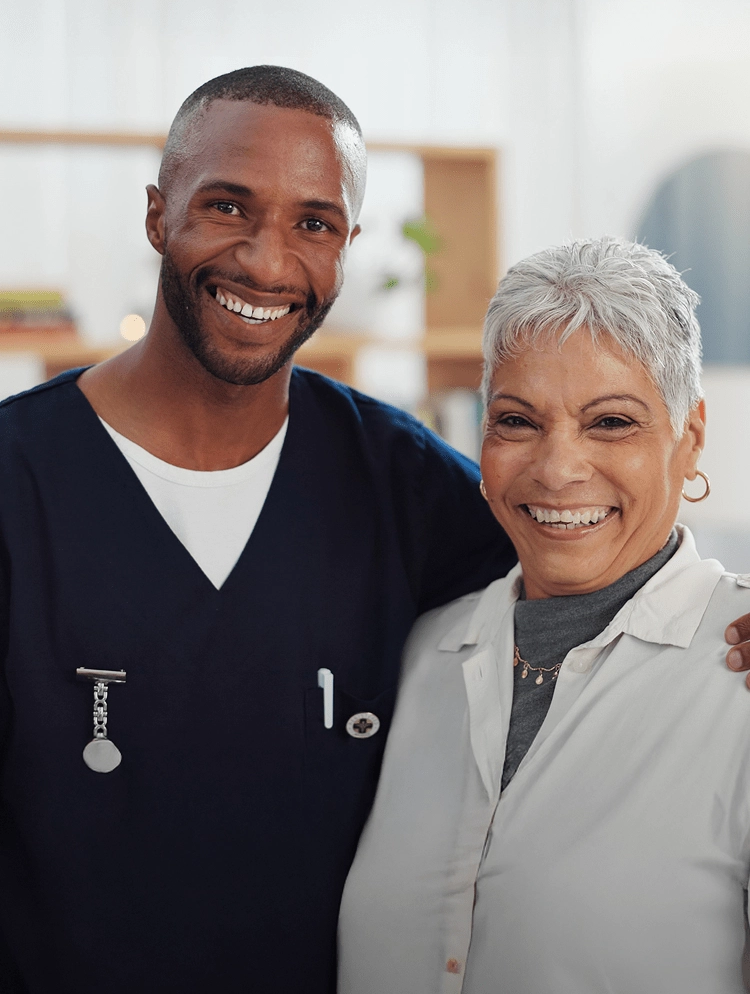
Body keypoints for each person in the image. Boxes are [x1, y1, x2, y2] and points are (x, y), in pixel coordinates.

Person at [0, 66, 515, 993]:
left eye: (313, 224)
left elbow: (595, 584)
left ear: (347, 246)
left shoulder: (405, 486)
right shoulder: (15, 480)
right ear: (159, 214)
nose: (269, 264)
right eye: (228, 207)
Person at [339, 238, 750, 994]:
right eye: (518, 422)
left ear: (689, 439)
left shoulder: (739, 682)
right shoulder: (425, 651)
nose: (558, 469)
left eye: (612, 423)